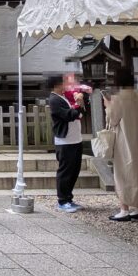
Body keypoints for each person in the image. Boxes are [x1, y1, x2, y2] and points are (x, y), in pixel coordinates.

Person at [105, 66, 138, 220]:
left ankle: (124, 209)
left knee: (123, 172)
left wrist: (107, 105)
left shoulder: (119, 98)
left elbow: (113, 120)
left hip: (124, 140)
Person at [48, 73, 84, 212]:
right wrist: (79, 106)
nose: (66, 85)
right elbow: (70, 115)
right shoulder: (54, 100)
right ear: (57, 84)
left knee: (74, 170)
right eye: (64, 82)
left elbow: (76, 114)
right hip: (65, 141)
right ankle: (62, 200)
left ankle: (68, 198)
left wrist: (78, 105)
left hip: (74, 139)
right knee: (65, 171)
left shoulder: (62, 97)